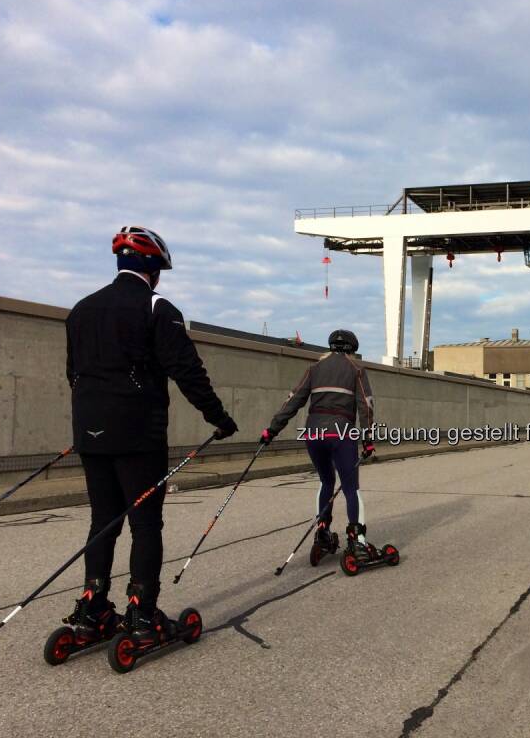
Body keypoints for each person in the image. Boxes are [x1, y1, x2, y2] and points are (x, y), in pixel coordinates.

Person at [63, 226, 237, 643]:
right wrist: (219, 418)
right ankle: (142, 612)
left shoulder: (81, 309)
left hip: (90, 431)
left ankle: (92, 605)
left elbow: (72, 372)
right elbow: (187, 371)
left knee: (102, 521)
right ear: (153, 269)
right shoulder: (158, 307)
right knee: (145, 523)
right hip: (137, 434)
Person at [260, 329, 375, 562]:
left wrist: (271, 430)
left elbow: (293, 401)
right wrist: (368, 439)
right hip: (341, 434)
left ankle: (322, 531)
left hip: (313, 434)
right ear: (353, 350)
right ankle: (358, 541)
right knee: (351, 488)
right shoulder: (356, 370)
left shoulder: (314, 369)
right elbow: (366, 406)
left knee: (326, 482)